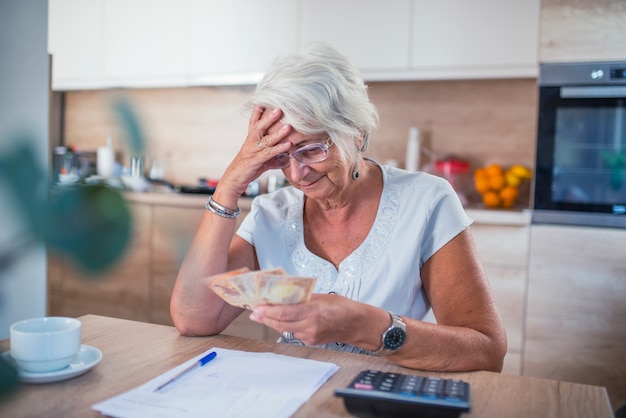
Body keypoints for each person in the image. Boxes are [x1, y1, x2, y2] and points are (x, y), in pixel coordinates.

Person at [170, 42, 507, 372]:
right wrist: (229, 186)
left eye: (311, 149)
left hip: (378, 401)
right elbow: (194, 317)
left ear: (356, 133)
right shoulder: (271, 214)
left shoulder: (427, 201)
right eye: (281, 157)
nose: (296, 173)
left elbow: (486, 349)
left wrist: (369, 326)